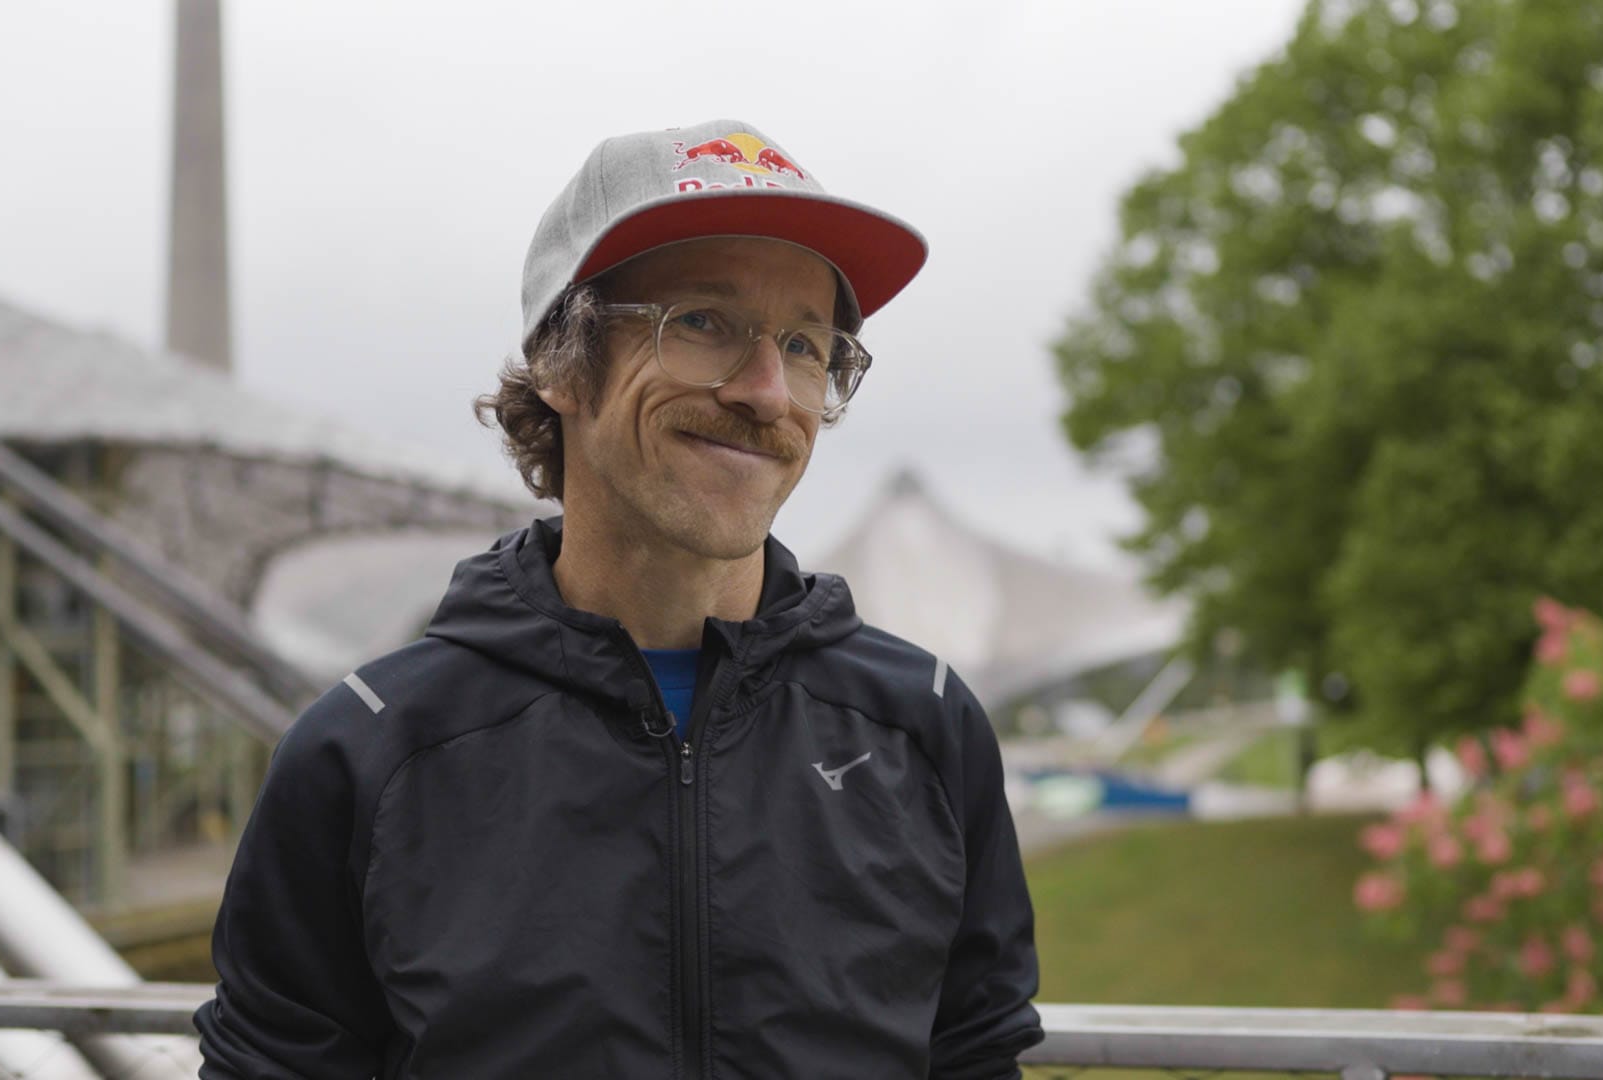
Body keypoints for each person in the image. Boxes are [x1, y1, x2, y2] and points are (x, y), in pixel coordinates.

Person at [194, 119, 1043, 1079]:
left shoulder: (924, 727)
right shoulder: (367, 753)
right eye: (701, 323)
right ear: (561, 362)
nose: (768, 392)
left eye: (807, 344)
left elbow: (973, 1054)